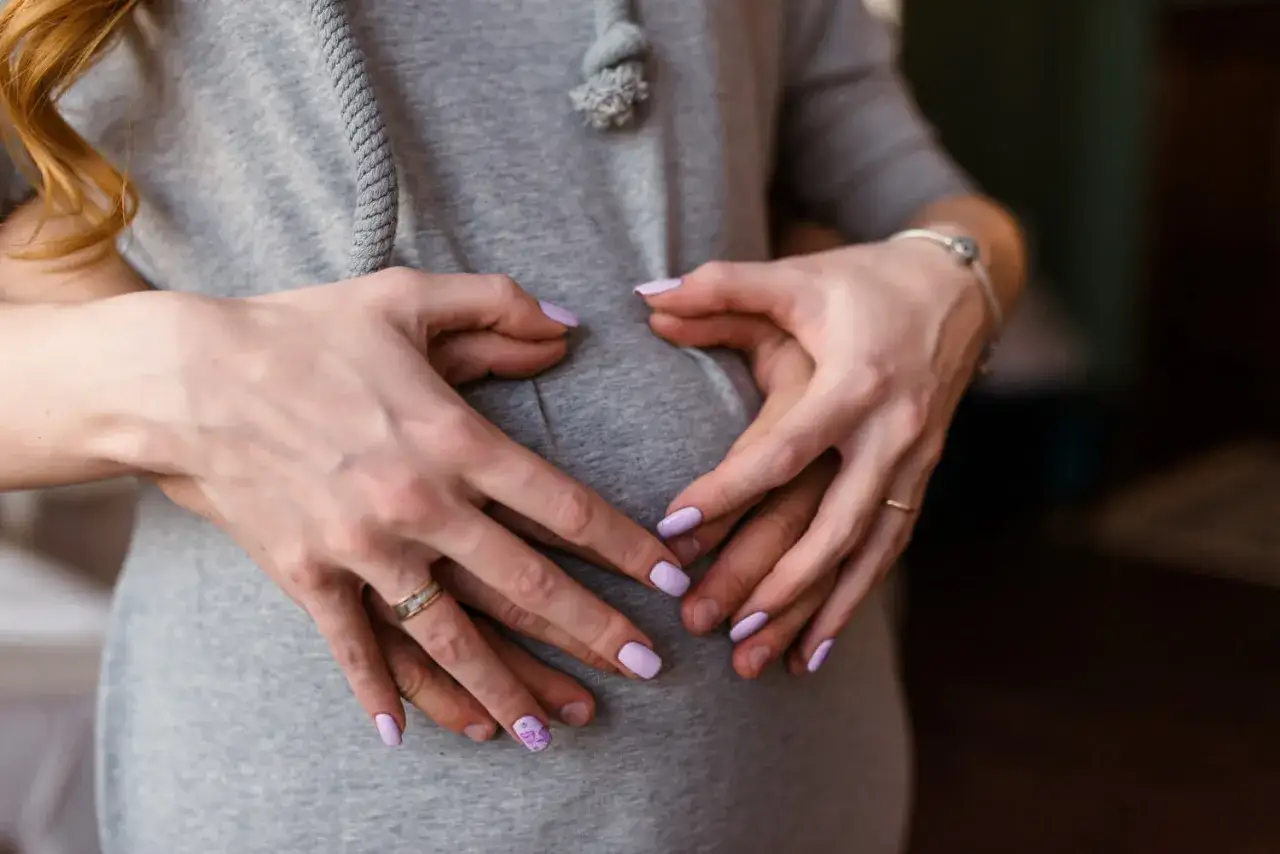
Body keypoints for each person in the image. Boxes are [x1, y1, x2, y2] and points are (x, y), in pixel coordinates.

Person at [0, 0, 1025, 852]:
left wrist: (950, 279)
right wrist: (195, 378)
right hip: (339, 779)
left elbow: (895, 178)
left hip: (795, 748)